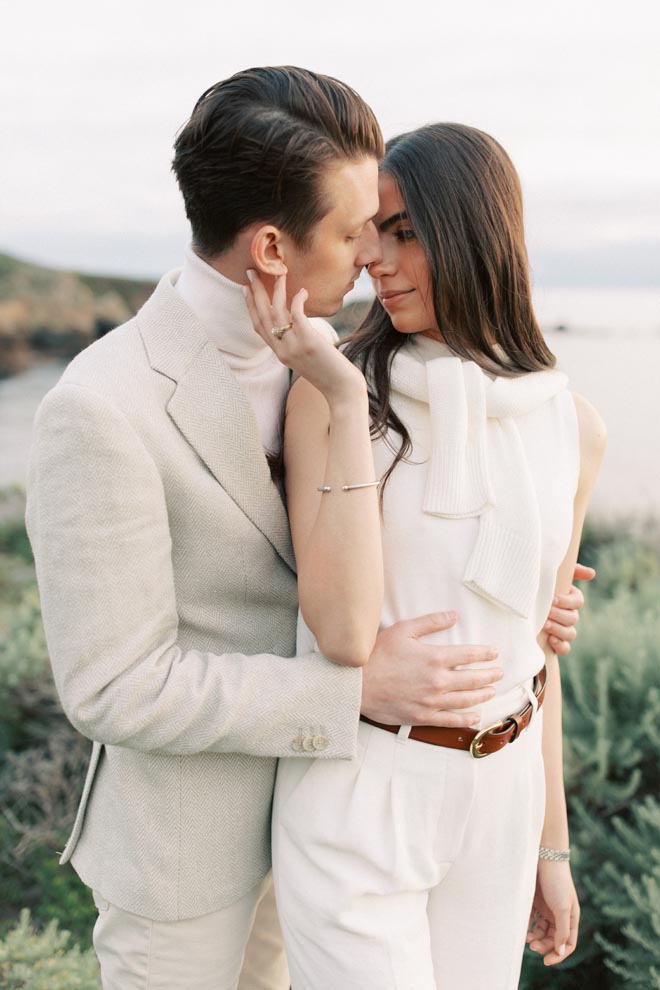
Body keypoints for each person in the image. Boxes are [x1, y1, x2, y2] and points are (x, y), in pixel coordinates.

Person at [25, 68, 586, 990]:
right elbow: (115, 687)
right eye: (353, 229)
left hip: (344, 820)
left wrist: (539, 594)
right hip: (191, 862)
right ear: (275, 248)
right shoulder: (100, 407)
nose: (372, 252)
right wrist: (349, 693)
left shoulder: (341, 360)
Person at [244, 122, 606, 989]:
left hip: (504, 794)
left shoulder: (571, 426)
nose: (377, 259)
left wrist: (550, 846)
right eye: (373, 232)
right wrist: (331, 385)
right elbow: (337, 629)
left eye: (405, 232)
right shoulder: (336, 397)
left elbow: (539, 662)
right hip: (364, 789)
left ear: (477, 231)